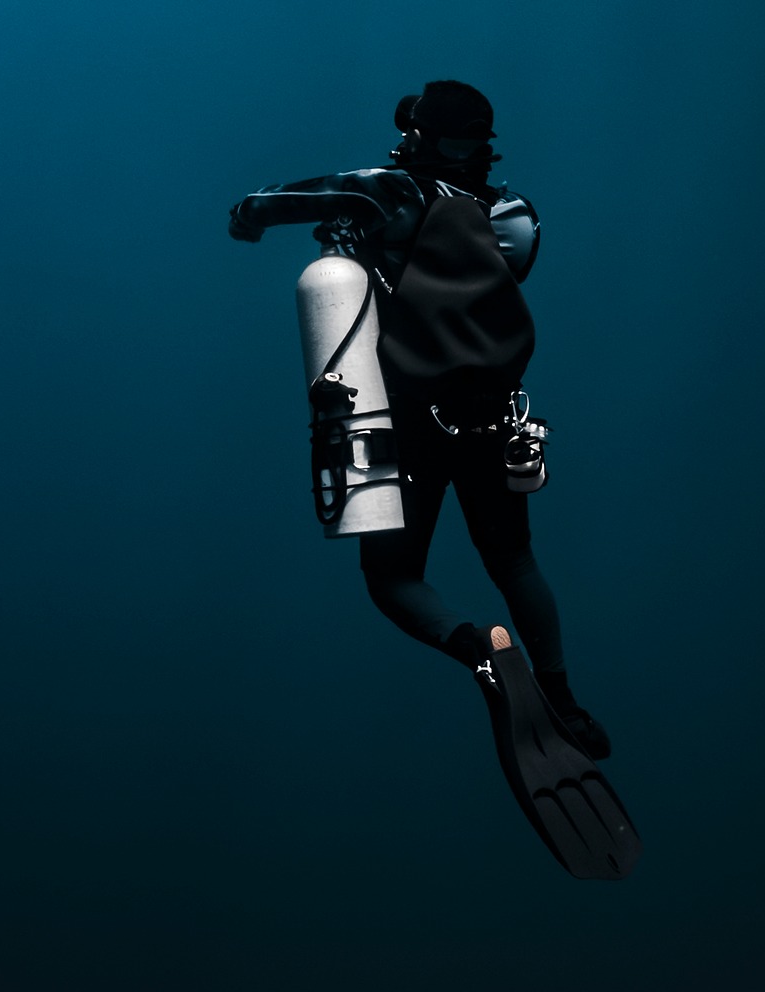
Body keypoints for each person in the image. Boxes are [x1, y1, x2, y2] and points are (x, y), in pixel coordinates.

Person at [227, 79, 611, 759]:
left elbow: (277, 202)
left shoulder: (389, 191)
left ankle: (480, 651)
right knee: (515, 560)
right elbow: (492, 273)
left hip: (411, 424)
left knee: (394, 580)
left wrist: (250, 215)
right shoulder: (517, 213)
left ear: (417, 134)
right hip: (497, 419)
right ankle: (564, 699)